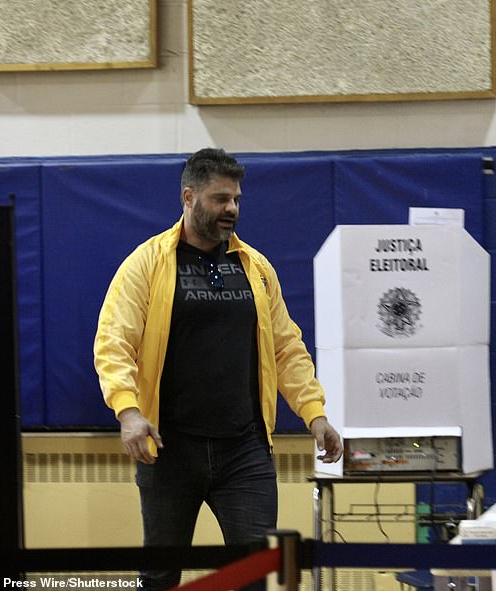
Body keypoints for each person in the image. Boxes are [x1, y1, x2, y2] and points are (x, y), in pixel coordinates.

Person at [93, 148, 343, 591]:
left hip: (244, 452)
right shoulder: (146, 264)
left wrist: (315, 414)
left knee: (257, 573)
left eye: (237, 199)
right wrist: (129, 412)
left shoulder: (256, 268)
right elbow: (114, 344)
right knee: (160, 574)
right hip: (169, 450)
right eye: (220, 198)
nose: (232, 208)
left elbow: (287, 348)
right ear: (189, 197)